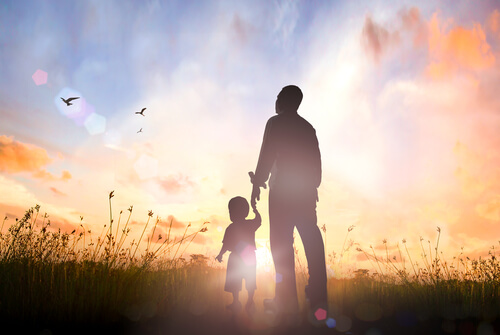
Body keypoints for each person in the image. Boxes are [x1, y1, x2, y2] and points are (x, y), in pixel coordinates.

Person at [249, 85, 327, 319]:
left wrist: (257, 182)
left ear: (282, 100)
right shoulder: (308, 128)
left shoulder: (275, 123)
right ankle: (318, 299)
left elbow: (267, 154)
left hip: (282, 192)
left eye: (277, 97)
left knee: (281, 245)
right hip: (305, 193)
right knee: (312, 241)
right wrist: (313, 186)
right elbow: (317, 162)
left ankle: (285, 302)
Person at [216, 196, 262, 313]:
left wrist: (221, 254)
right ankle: (247, 301)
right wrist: (255, 210)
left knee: (236, 280)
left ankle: (239, 301)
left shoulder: (231, 228)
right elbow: (259, 220)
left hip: (236, 257)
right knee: (247, 280)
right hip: (248, 256)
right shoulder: (249, 224)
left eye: (232, 211)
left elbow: (226, 244)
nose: (231, 213)